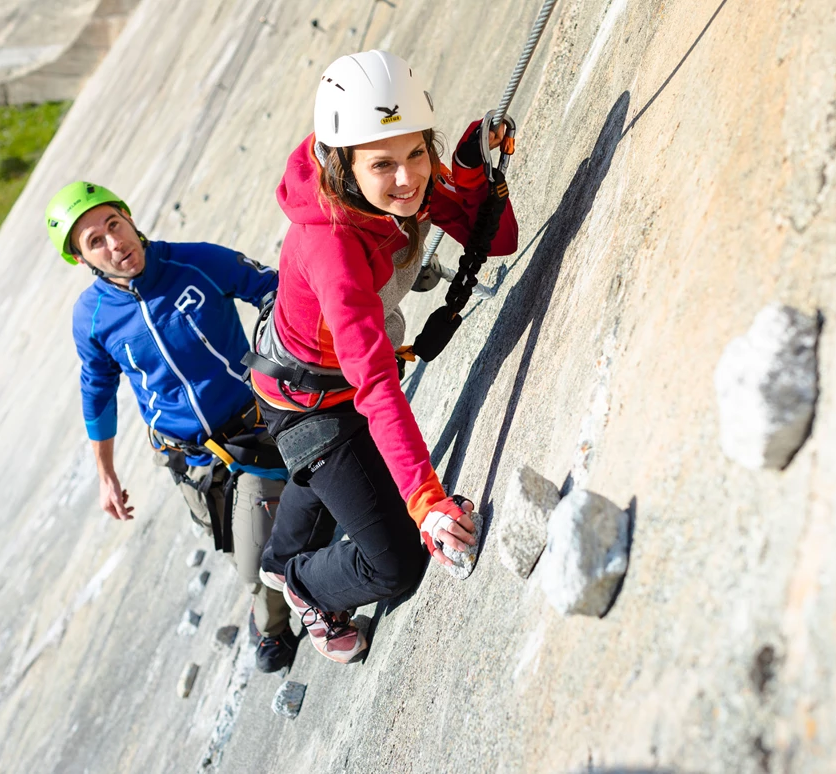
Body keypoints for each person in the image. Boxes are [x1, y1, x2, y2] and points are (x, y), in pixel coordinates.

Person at [249, 50, 519, 663]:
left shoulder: (399, 179)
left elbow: (497, 239)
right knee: (395, 561)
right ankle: (303, 585)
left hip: (330, 378)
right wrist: (427, 501)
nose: (407, 177)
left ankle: (279, 557)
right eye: (383, 166)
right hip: (314, 404)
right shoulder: (333, 249)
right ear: (342, 166)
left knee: (352, 477)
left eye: (418, 153)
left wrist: (470, 167)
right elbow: (374, 387)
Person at [44, 182, 296, 672]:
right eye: (94, 241)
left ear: (128, 217)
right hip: (188, 458)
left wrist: (285, 366)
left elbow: (273, 288)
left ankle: (273, 629)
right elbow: (97, 391)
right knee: (229, 544)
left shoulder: (195, 260)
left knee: (255, 563)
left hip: (253, 431)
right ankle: (274, 585)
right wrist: (106, 473)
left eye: (113, 225)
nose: (114, 244)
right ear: (81, 260)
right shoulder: (91, 319)